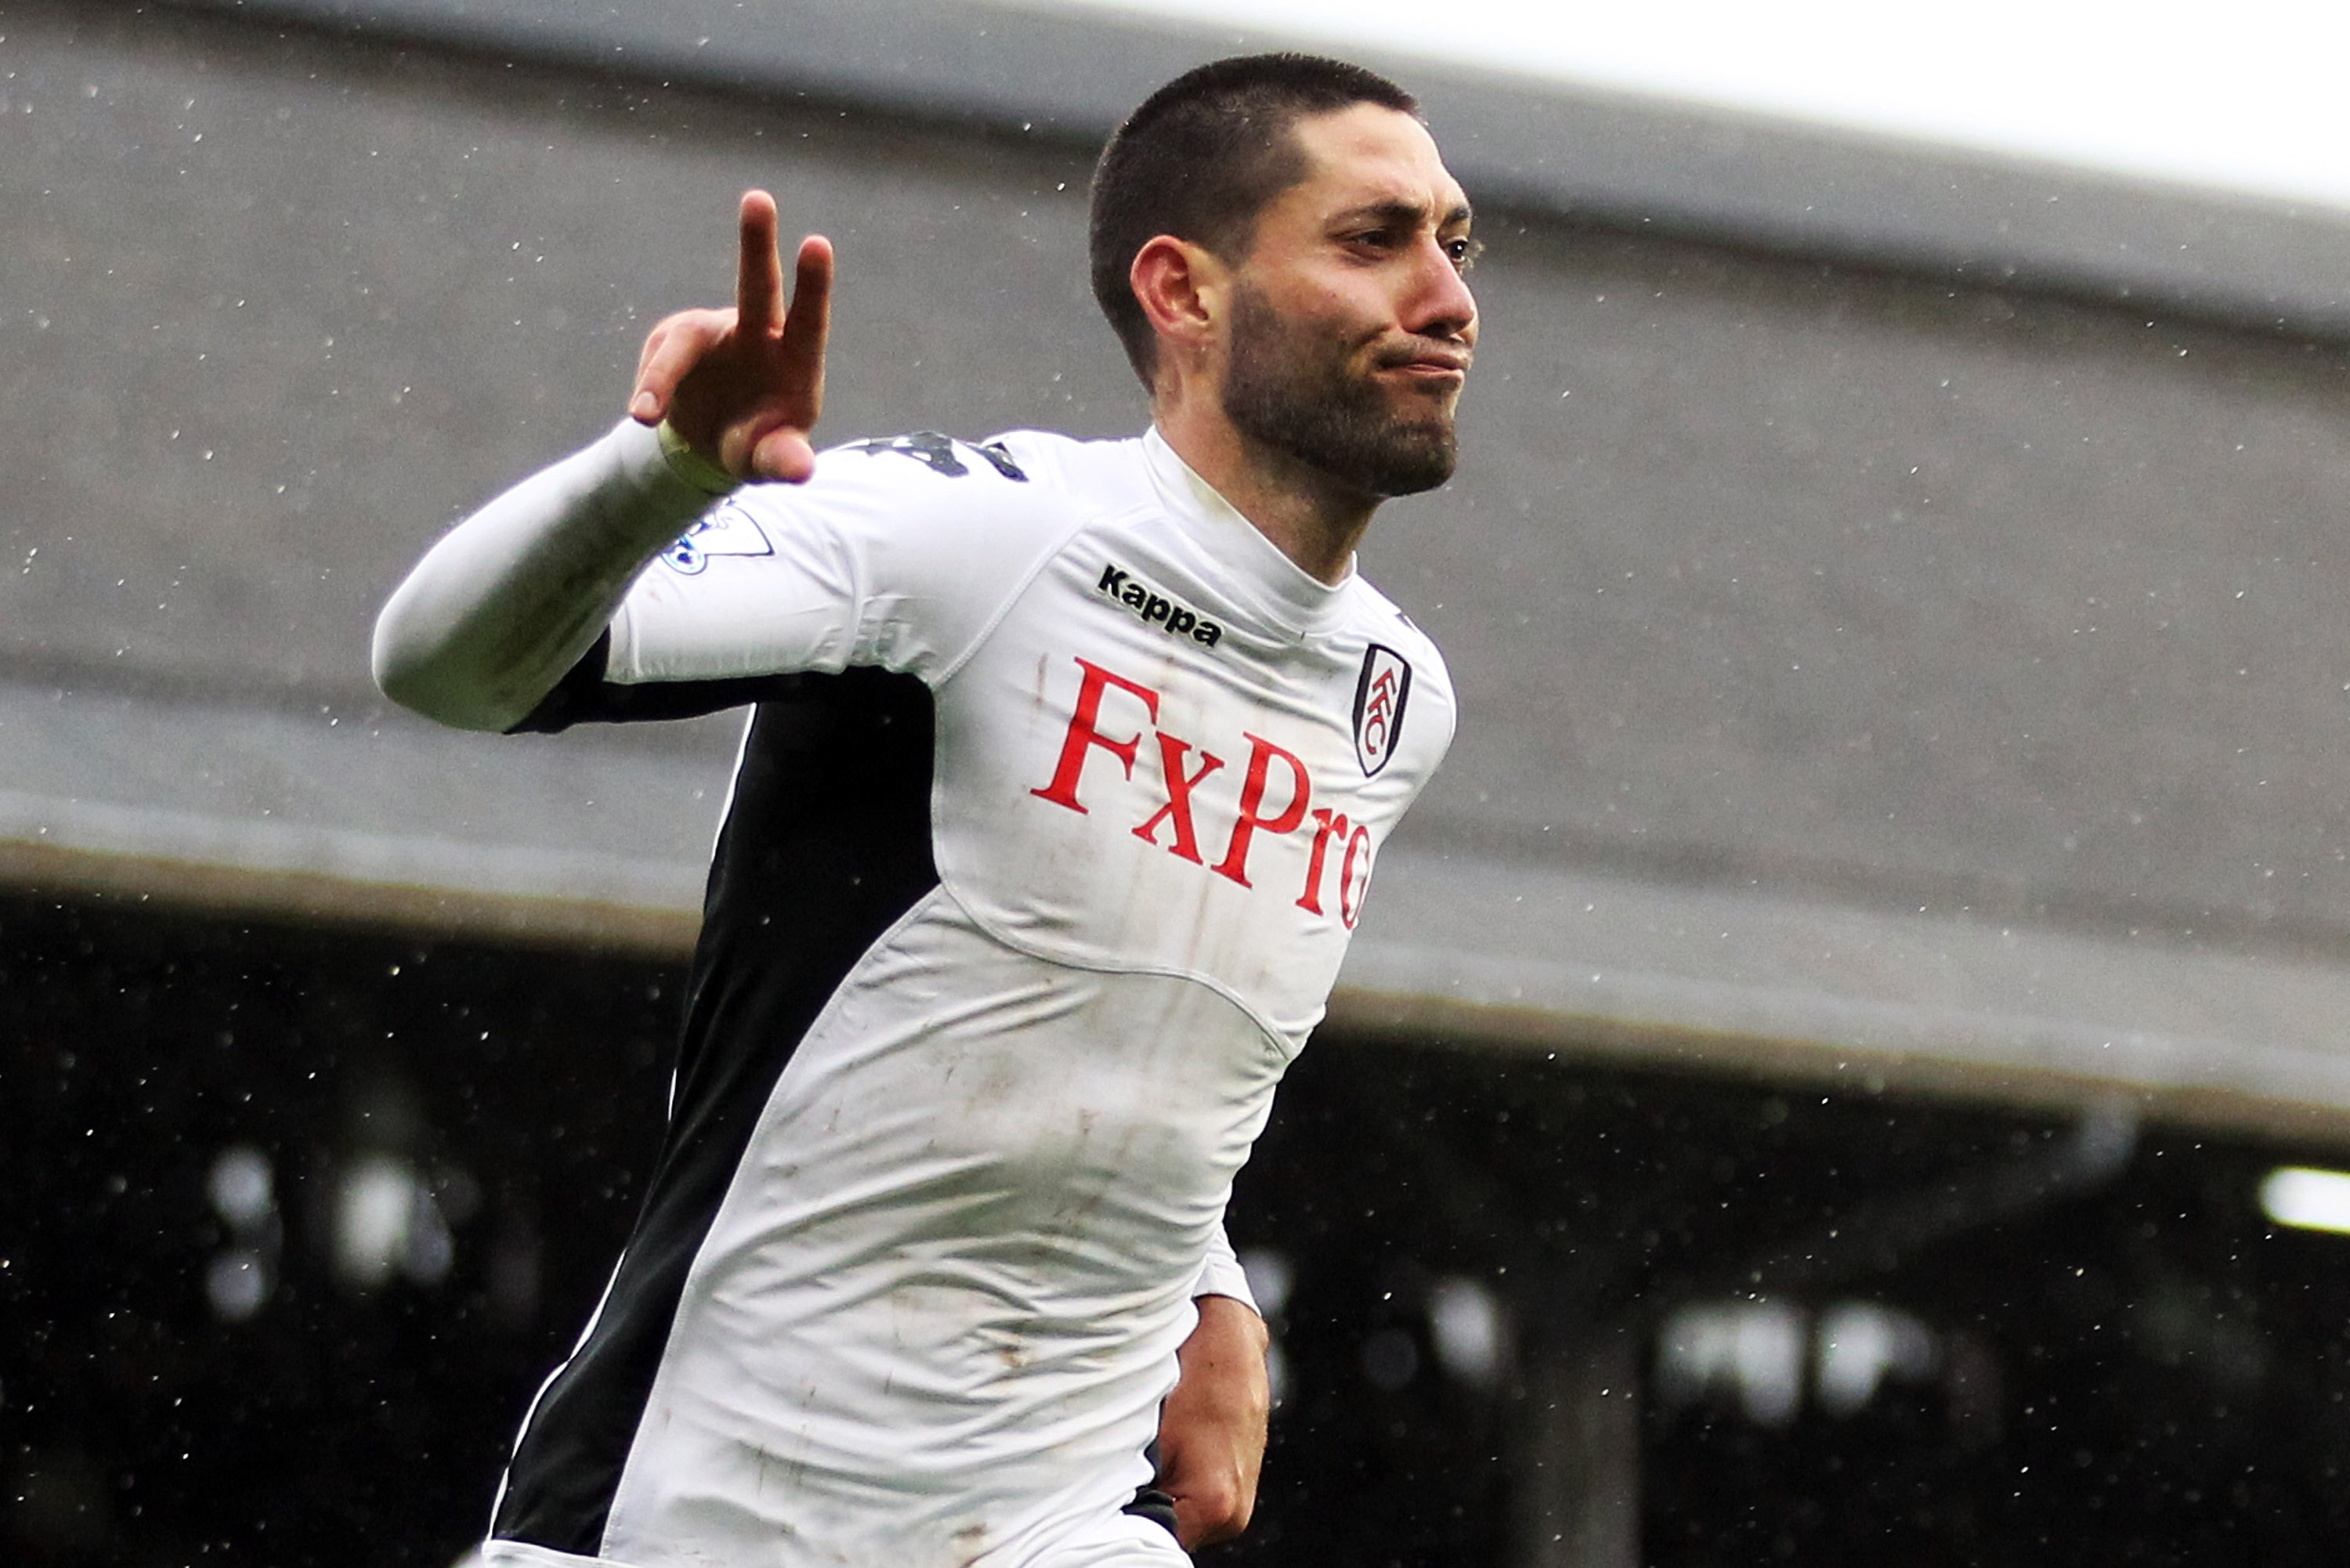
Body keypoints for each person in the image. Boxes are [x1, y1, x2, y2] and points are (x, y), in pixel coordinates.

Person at [374, 51, 1475, 1568]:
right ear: (1185, 290)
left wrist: (1206, 1280)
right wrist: (656, 475)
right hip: (693, 1520)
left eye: (1454, 243)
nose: (1449, 294)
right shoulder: (975, 534)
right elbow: (447, 671)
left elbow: (1116, 990)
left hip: (1052, 1528)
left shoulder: (1394, 695)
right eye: (1376, 239)